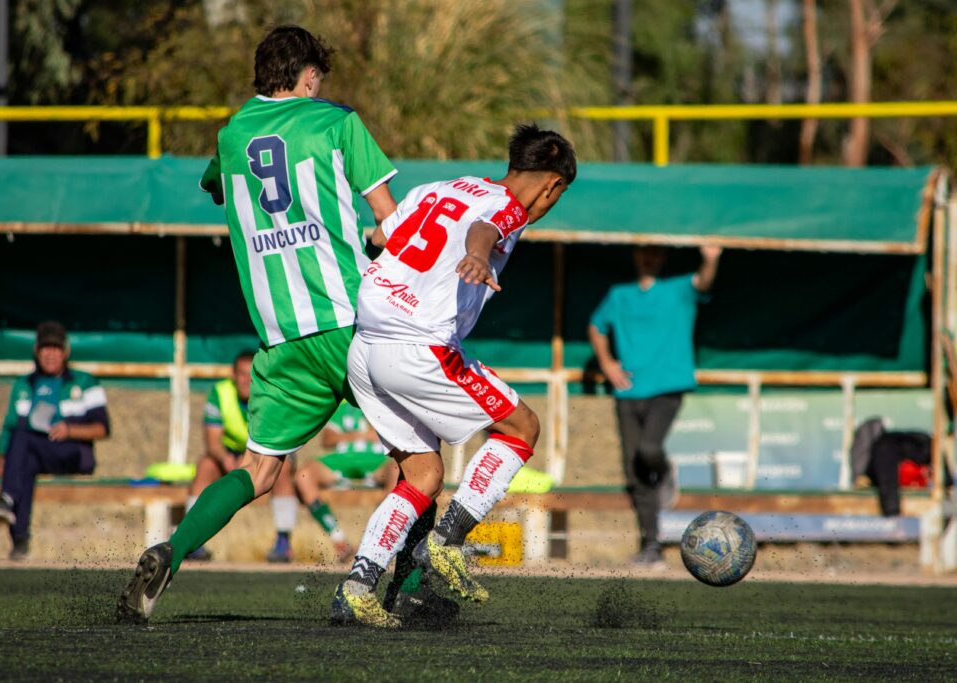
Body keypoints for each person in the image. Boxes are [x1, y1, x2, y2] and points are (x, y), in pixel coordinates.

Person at [117, 24, 398, 623]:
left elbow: (221, 189)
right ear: (311, 75)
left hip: (279, 339)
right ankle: (408, 586)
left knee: (259, 470)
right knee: (419, 458)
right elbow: (390, 222)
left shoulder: (231, 134)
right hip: (351, 323)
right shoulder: (336, 121)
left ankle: (173, 549)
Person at [330, 124, 577, 628]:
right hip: (418, 346)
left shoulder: (442, 187)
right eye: (558, 194)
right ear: (552, 183)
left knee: (423, 475)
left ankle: (357, 586)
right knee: (522, 428)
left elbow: (384, 235)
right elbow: (484, 230)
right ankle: (446, 542)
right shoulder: (507, 206)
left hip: (366, 345)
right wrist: (479, 254)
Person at [587, 244, 721, 569]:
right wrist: (607, 364)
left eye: (655, 253)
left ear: (663, 258)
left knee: (649, 450)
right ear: (635, 256)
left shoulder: (678, 289)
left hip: (667, 387)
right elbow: (596, 326)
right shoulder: (620, 294)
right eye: (644, 253)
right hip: (628, 391)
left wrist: (711, 259)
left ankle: (664, 471)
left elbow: (703, 283)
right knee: (635, 471)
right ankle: (651, 546)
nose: (649, 258)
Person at [0, 321, 110, 560]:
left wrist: (69, 430)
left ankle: (7, 499)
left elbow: (102, 429)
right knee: (25, 460)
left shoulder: (85, 382)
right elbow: (9, 427)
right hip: (37, 452)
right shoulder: (25, 384)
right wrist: (1, 461)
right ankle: (19, 540)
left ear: (66, 351)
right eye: (45, 348)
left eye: (56, 348)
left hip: (73, 453)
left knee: (24, 445)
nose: (50, 354)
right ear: (36, 351)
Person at [184, 350, 298, 563]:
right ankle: (192, 540)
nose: (247, 380)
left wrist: (251, 461)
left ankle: (283, 543)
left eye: (251, 374)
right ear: (233, 376)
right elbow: (212, 442)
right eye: (242, 374)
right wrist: (226, 459)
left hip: (267, 453)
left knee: (283, 470)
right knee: (205, 466)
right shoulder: (220, 392)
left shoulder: (272, 393)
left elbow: (282, 439)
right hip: (229, 453)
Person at [294, 401, 399, 563]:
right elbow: (327, 439)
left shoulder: (387, 404)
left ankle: (373, 539)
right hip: (342, 460)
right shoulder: (345, 405)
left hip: (377, 461)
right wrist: (360, 436)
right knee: (304, 475)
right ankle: (339, 540)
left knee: (397, 471)